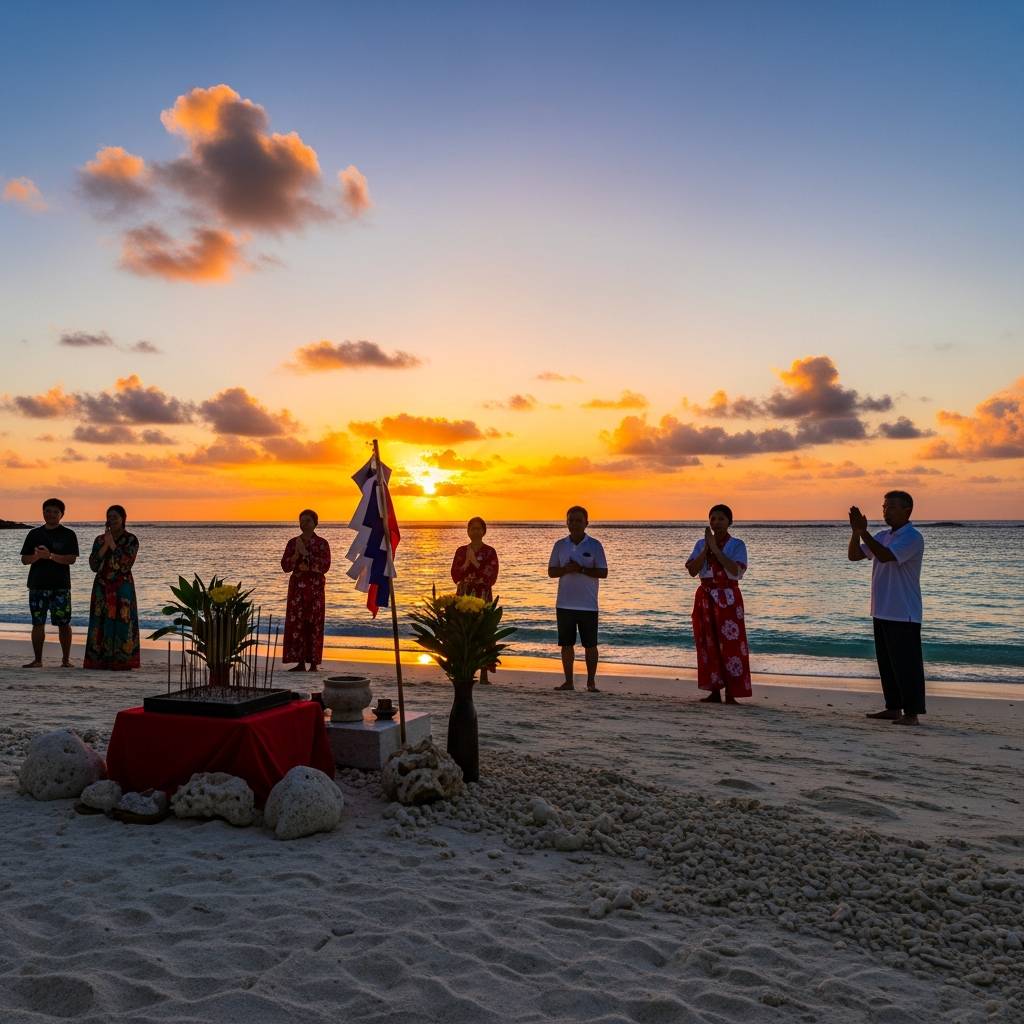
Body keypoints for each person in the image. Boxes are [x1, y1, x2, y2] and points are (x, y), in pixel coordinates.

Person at [848, 491, 926, 726]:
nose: (886, 511)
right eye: (884, 507)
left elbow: (885, 557)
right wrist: (855, 533)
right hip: (881, 608)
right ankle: (893, 708)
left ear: (907, 510)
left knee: (907, 665)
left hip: (904, 611)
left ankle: (911, 713)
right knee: (887, 663)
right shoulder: (882, 536)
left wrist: (864, 532)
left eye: (891, 507)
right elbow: (854, 556)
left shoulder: (912, 537)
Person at [685, 504, 752, 704]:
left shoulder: (737, 545)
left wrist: (716, 549)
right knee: (708, 644)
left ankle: (732, 693)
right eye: (713, 519)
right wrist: (707, 548)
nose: (716, 523)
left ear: (729, 522)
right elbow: (692, 570)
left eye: (721, 519)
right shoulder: (700, 544)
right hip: (705, 597)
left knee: (732, 646)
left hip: (728, 598)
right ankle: (714, 691)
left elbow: (736, 571)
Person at [548, 506, 608, 692]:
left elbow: (603, 572)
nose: (574, 524)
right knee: (566, 645)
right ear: (566, 522)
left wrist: (581, 569)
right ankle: (568, 682)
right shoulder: (560, 545)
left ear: (586, 523)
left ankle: (591, 682)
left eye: (578, 520)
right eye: (571, 520)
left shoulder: (595, 545)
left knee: (590, 645)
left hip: (588, 605)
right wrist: (566, 569)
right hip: (564, 603)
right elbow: (551, 571)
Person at [19, 497, 79, 668]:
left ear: (61, 515)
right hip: (37, 585)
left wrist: (51, 556)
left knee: (64, 624)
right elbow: (24, 560)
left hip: (60, 586)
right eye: (48, 511)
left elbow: (71, 559)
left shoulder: (68, 534)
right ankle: (37, 660)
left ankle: (66, 660)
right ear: (43, 512)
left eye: (55, 512)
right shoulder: (34, 534)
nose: (51, 514)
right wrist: (37, 557)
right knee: (37, 623)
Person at [83, 504, 140, 670]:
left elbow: (126, 564)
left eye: (115, 516)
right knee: (100, 621)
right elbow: (93, 564)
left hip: (122, 586)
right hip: (102, 585)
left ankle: (122, 661)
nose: (112, 519)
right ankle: (99, 660)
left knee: (123, 621)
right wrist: (106, 545)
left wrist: (113, 545)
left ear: (123, 519)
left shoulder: (131, 539)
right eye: (109, 516)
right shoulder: (100, 540)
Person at [450, 516, 500, 684]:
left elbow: (491, 576)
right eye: (473, 528)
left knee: (483, 632)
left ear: (484, 531)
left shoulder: (490, 552)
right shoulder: (461, 551)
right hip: (464, 596)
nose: (476, 531)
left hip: (482, 597)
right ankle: (465, 671)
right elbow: (455, 575)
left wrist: (475, 564)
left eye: (479, 528)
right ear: (468, 531)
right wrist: (466, 563)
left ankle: (484, 674)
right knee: (464, 632)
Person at [281, 509, 331, 672]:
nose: (304, 524)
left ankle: (314, 663)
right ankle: (300, 662)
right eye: (301, 521)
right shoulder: (293, 542)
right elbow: (285, 566)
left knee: (314, 623)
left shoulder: (322, 543)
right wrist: (296, 555)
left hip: (315, 589)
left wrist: (306, 555)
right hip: (297, 589)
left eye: (308, 521)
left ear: (315, 523)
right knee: (297, 623)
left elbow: (325, 566)